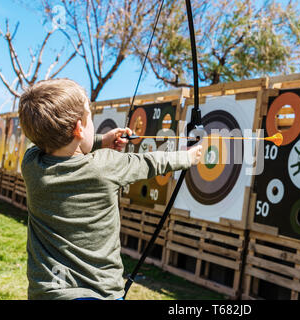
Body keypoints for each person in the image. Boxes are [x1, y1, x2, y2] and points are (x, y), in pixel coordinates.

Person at [18, 78, 202, 300]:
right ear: (78, 128)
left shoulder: (31, 165)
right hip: (99, 293)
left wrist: (100, 141)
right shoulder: (106, 165)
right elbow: (151, 162)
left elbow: (51, 144)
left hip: (46, 292)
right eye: (89, 118)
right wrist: (189, 156)